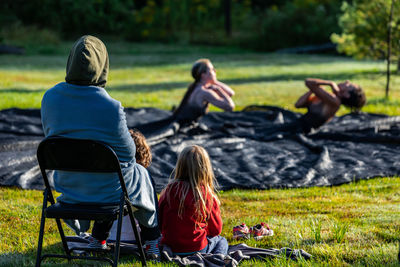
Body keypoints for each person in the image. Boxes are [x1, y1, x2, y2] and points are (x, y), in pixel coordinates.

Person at [40, 35, 160, 256]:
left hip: (69, 189)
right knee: (139, 174)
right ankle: (152, 241)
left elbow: (52, 139)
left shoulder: (49, 99)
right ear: (103, 66)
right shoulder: (111, 108)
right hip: (109, 194)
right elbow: (129, 153)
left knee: (111, 175)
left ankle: (98, 240)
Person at [158, 145, 228, 256]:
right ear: (205, 168)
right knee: (222, 241)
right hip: (197, 248)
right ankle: (218, 258)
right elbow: (216, 230)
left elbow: (158, 220)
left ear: (180, 166)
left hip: (170, 246)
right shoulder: (206, 195)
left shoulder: (169, 190)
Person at [172, 58, 235, 124]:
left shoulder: (196, 87)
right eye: (212, 69)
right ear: (203, 75)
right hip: (189, 125)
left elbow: (231, 93)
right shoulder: (204, 92)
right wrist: (219, 90)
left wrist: (215, 82)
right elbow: (230, 107)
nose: (215, 71)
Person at [294, 78, 366, 133]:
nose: (347, 81)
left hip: (303, 130)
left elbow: (308, 82)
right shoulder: (329, 97)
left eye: (349, 85)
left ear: (347, 95)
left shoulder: (335, 101)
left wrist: (330, 83)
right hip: (298, 126)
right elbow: (298, 104)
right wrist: (313, 90)